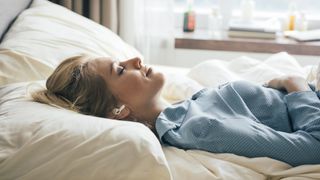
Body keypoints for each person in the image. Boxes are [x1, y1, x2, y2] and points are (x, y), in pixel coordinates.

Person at [32, 55, 320, 167]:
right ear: (117, 111)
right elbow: (313, 147)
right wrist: (295, 86)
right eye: (120, 70)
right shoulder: (201, 129)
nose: (134, 59)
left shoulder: (187, 109)